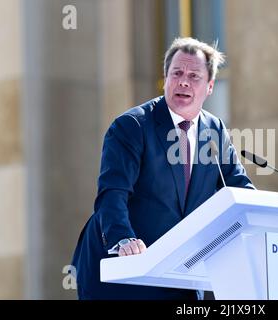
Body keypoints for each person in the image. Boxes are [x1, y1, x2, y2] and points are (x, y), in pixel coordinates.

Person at [71, 37, 255, 300]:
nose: (183, 81)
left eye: (194, 76)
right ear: (166, 77)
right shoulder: (132, 126)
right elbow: (112, 193)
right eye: (177, 73)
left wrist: (266, 221)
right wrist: (123, 239)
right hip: (123, 274)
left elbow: (239, 189)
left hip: (179, 274)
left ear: (210, 86)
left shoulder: (214, 130)